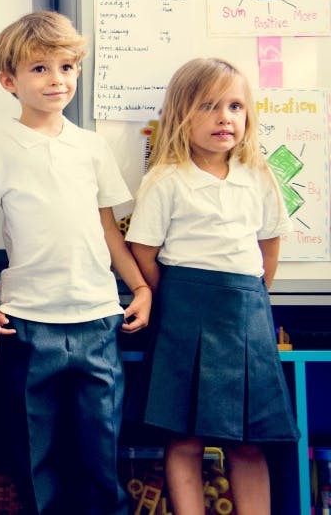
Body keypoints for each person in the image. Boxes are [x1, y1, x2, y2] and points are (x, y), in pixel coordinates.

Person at [0, 11, 150, 514]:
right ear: (8, 80)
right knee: (36, 452)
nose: (57, 80)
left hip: (97, 316)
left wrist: (138, 287)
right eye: (40, 69)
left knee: (101, 449)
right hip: (28, 321)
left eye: (67, 67)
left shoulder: (92, 147)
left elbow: (108, 232)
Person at [127, 57, 298, 515]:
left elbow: (270, 247)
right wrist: (174, 296)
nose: (225, 117)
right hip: (183, 311)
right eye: (209, 106)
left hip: (247, 312)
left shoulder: (258, 176)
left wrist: (252, 299)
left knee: (249, 438)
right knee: (184, 436)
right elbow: (143, 249)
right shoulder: (166, 180)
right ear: (182, 115)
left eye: (236, 106)